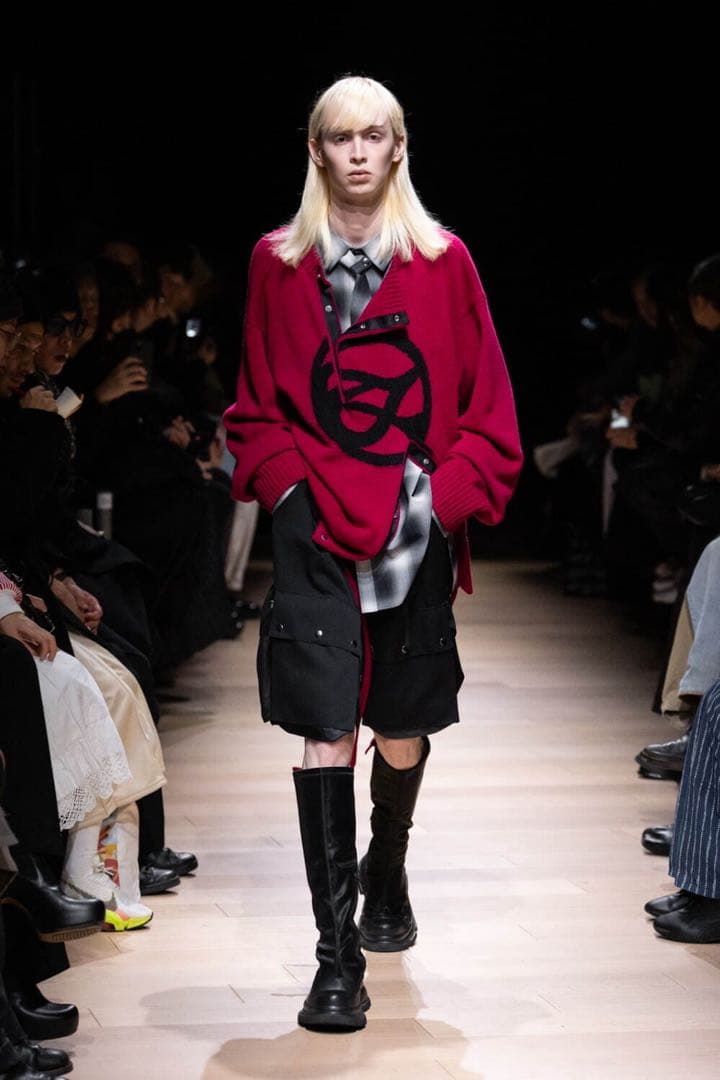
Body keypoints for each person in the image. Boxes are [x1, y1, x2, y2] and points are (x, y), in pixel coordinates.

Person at [224, 75, 523, 1032]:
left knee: (399, 729)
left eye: (374, 136)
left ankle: (386, 865)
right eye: (340, 137)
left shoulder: (442, 261)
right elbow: (254, 405)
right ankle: (336, 960)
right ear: (317, 150)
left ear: (399, 147)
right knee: (326, 730)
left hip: (411, 526)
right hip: (315, 527)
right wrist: (290, 492)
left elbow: (489, 406)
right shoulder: (278, 263)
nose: (357, 152)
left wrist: (442, 502)